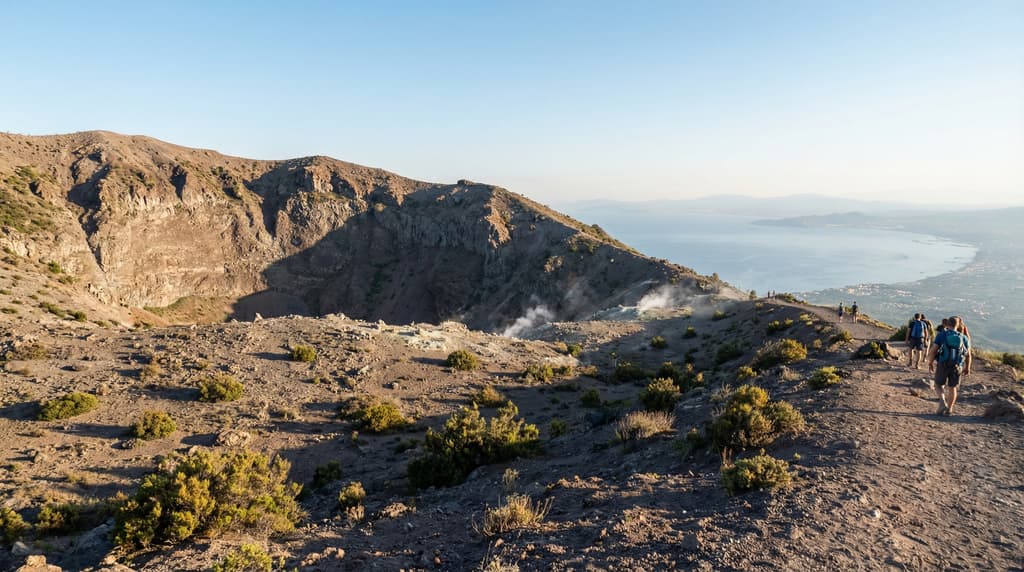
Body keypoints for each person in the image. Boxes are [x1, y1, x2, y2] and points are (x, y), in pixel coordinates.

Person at [926, 315, 972, 416]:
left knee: (938, 384)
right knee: (953, 388)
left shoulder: (942, 335)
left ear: (947, 324)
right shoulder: (963, 337)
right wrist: (967, 367)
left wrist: (930, 362)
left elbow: (933, 351)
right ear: (958, 325)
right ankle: (949, 409)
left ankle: (942, 402)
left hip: (943, 363)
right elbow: (968, 355)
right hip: (957, 365)